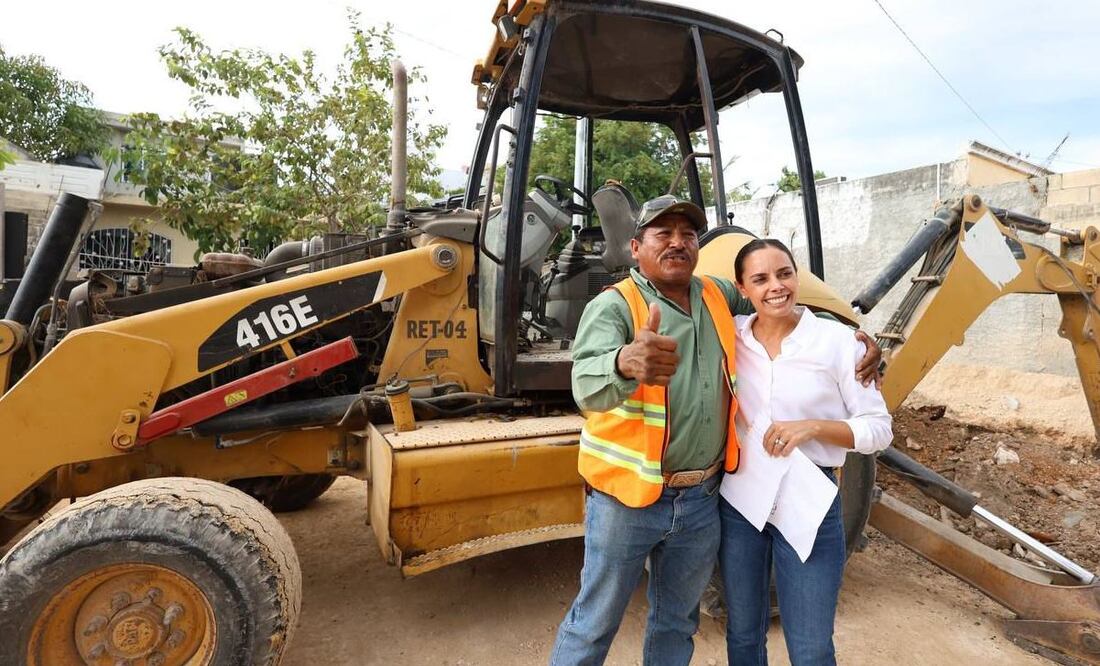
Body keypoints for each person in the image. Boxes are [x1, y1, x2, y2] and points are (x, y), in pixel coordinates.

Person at [551, 195, 880, 666]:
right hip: (628, 502)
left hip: (703, 500)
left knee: (676, 622)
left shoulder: (715, 295)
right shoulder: (614, 307)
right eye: (663, 234)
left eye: (687, 235)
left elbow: (778, 307)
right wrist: (624, 362)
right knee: (594, 623)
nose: (677, 243)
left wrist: (851, 341)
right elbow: (585, 386)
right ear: (635, 247)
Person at [717, 238, 893, 666]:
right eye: (760, 279)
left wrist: (814, 427)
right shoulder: (731, 336)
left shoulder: (837, 343)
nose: (775, 286)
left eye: (784, 274)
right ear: (742, 288)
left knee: (811, 648)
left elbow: (879, 429)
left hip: (809, 502)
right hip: (742, 501)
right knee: (743, 635)